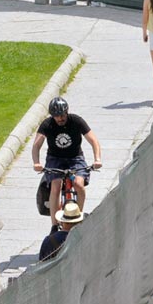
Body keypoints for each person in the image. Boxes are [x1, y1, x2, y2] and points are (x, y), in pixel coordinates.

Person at [32, 97, 102, 228]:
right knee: (56, 185)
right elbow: (36, 145)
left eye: (62, 115)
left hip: (75, 158)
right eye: (56, 116)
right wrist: (37, 163)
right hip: (55, 159)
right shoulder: (47, 124)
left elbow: (93, 141)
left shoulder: (76, 121)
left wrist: (97, 159)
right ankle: (54, 224)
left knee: (78, 184)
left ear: (67, 112)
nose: (59, 119)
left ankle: (78, 216)